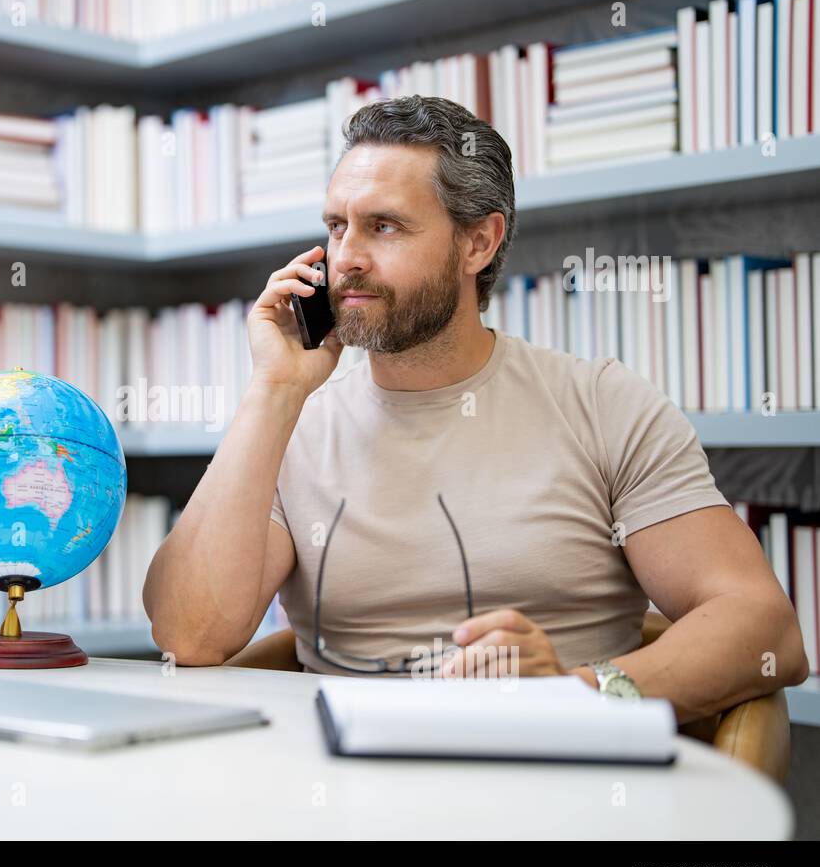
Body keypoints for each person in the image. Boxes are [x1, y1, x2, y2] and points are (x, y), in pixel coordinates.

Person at [142, 95, 809, 722]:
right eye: (336, 227)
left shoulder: (603, 403)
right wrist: (274, 390)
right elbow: (190, 635)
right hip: (345, 793)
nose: (345, 259)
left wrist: (579, 694)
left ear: (478, 243)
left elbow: (763, 627)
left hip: (550, 780)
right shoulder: (292, 423)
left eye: (384, 227)